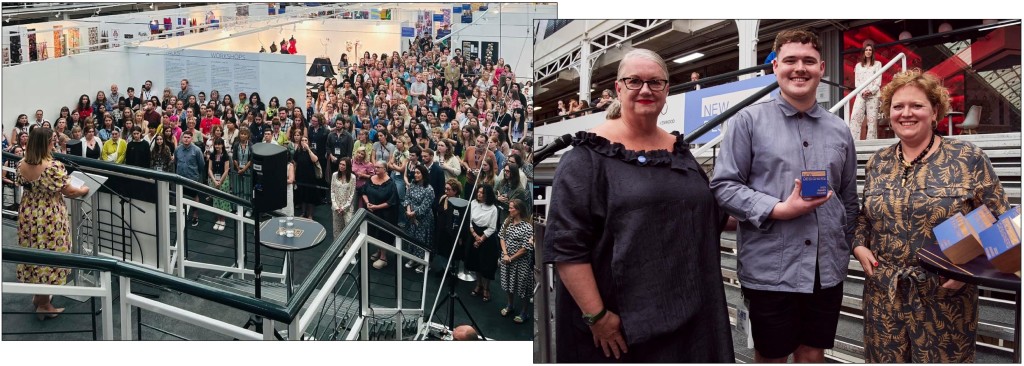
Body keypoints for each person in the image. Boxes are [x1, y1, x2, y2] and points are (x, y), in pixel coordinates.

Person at [543, 48, 733, 363]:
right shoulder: (584, 158)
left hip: (689, 323)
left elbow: (709, 215)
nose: (645, 90)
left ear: (667, 91)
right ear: (619, 88)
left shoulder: (680, 153)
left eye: (655, 83)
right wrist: (597, 317)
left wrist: (775, 209)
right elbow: (567, 247)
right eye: (634, 81)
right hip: (621, 332)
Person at [710, 29, 859, 363]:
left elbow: (848, 198)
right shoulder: (747, 122)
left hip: (826, 270)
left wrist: (840, 248)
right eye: (790, 60)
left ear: (822, 68)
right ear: (775, 66)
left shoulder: (839, 130)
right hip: (770, 271)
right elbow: (723, 187)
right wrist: (778, 209)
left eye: (808, 61)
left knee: (812, 354)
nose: (799, 68)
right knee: (772, 356)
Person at [853, 69, 1009, 363]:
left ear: (934, 111)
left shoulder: (968, 158)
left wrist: (968, 272)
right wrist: (859, 245)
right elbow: (865, 217)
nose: (906, 113)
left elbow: (1001, 224)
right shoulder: (877, 162)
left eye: (917, 106)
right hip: (884, 300)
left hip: (945, 302)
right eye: (898, 106)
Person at [15, 127, 90, 320]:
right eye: (52, 140)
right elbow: (69, 192)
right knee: (51, 255)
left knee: (34, 251)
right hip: (49, 216)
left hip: (29, 212)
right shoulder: (52, 166)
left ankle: (39, 296)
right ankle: (44, 304)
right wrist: (83, 190)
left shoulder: (21, 163)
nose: (54, 143)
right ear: (46, 143)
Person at [498, 198, 533, 324]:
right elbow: (502, 237)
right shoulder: (508, 221)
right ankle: (510, 305)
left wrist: (511, 258)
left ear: (518, 210)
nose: (509, 209)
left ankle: (524, 312)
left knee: (523, 288)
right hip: (506, 259)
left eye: (512, 207)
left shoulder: (527, 227)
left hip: (520, 263)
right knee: (508, 284)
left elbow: (525, 248)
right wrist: (506, 254)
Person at [361, 161, 400, 269]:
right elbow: (364, 191)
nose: (375, 169)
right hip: (371, 211)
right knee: (374, 232)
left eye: (378, 167)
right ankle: (378, 250)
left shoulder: (391, 184)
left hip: (385, 214)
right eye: (375, 167)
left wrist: (376, 207)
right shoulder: (371, 179)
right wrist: (368, 203)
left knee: (383, 234)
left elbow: (391, 201)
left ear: (385, 169)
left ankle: (383, 257)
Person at [402, 165, 435, 273]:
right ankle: (413, 258)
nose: (416, 175)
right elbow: (407, 198)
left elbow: (425, 207)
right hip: (410, 215)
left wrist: (413, 213)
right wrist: (408, 210)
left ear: (424, 174)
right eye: (415, 173)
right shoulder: (412, 184)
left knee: (422, 240)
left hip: (423, 219)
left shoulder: (429, 189)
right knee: (412, 237)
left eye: (418, 173)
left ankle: (424, 262)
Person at [850, 41, 882, 140]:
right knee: (855, 117)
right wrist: (863, 91)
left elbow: (878, 81)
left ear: (872, 52)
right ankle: (853, 140)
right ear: (863, 52)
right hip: (861, 95)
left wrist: (871, 91)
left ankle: (871, 141)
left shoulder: (877, 64)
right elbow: (857, 81)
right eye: (866, 50)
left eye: (870, 50)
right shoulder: (858, 66)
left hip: (873, 95)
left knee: (872, 121)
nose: (868, 52)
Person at [175, 131, 206, 226]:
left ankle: (195, 216)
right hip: (180, 178)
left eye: (188, 137)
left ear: (192, 139)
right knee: (181, 197)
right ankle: (183, 214)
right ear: (182, 138)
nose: (186, 139)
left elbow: (201, 165)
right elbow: (176, 162)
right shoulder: (177, 149)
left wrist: (195, 175)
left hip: (192, 178)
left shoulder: (197, 150)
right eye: (185, 137)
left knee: (194, 197)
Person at [293, 136, 320, 219]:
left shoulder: (312, 150)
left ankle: (310, 214)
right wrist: (294, 175)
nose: (304, 141)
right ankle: (303, 212)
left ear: (308, 142)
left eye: (306, 140)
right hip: (300, 176)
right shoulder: (298, 150)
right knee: (303, 195)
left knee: (310, 196)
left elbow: (315, 160)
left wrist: (308, 149)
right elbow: (295, 163)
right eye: (302, 140)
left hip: (310, 177)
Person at [330, 157, 356, 238]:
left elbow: (352, 194)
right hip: (336, 207)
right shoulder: (334, 175)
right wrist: (336, 206)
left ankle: (349, 249)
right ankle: (338, 250)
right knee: (337, 230)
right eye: (340, 164)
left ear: (347, 166)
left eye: (343, 165)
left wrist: (344, 207)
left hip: (347, 208)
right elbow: (332, 191)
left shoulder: (352, 177)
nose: (341, 166)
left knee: (348, 230)